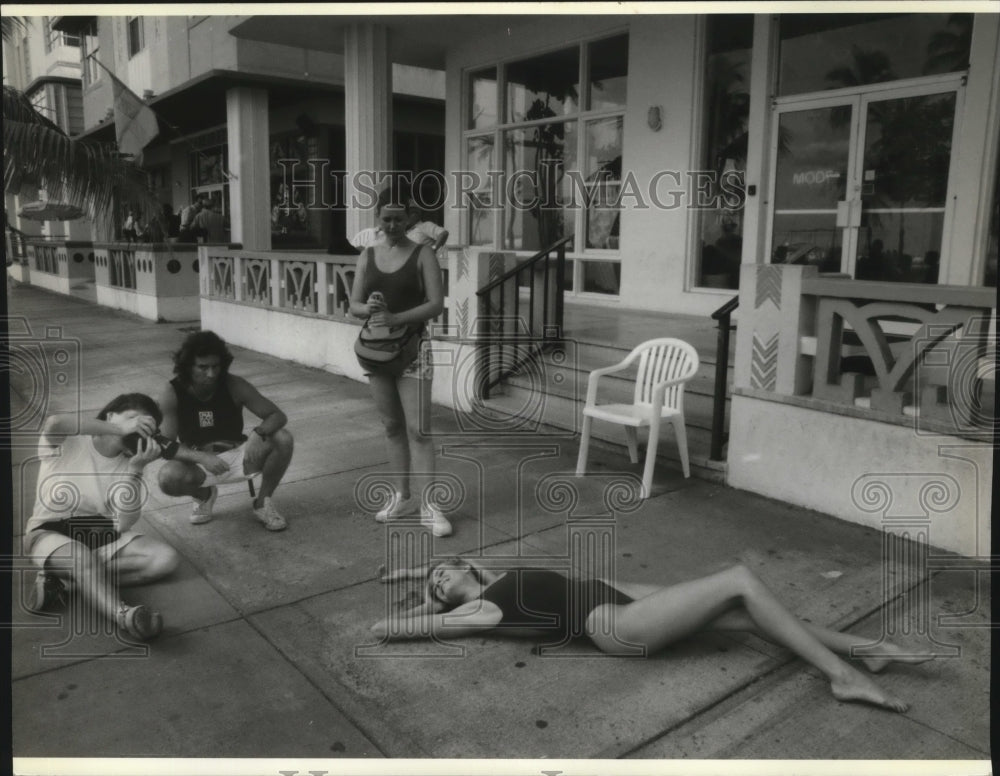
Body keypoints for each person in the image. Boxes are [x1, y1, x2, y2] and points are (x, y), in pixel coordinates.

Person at [373, 558, 936, 713]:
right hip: (615, 627)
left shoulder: (495, 577)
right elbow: (396, 626)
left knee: (747, 614)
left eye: (442, 569)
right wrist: (416, 609)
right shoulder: (481, 612)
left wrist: (408, 571)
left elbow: (453, 563)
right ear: (445, 600)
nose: (440, 576)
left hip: (615, 598)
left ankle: (872, 651)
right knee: (740, 579)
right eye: (436, 583)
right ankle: (844, 676)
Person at [23, 394, 179, 641]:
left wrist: (136, 470)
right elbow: (54, 424)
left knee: (165, 560)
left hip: (97, 533)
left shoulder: (130, 463)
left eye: (146, 427)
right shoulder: (73, 441)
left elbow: (124, 523)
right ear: (110, 417)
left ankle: (65, 582)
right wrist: (120, 428)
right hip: (48, 531)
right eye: (133, 419)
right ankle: (124, 616)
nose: (138, 429)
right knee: (79, 556)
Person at [348, 186, 450, 536]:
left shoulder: (423, 254)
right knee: (391, 427)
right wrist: (371, 308)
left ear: (409, 219)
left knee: (418, 430)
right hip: (377, 351)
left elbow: (436, 304)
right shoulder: (367, 255)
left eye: (398, 219)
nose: (392, 225)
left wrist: (397, 318)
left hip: (414, 349)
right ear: (378, 219)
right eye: (386, 219)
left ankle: (430, 505)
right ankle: (402, 496)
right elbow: (354, 305)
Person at [157, 331, 294, 531]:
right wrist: (200, 457)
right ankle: (204, 496)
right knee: (167, 478)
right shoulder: (172, 392)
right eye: (202, 367)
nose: (211, 374)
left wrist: (259, 432)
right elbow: (164, 443)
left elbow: (277, 415)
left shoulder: (234, 384)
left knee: (283, 438)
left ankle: (262, 503)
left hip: (239, 457)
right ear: (187, 367)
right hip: (199, 462)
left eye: (216, 366)